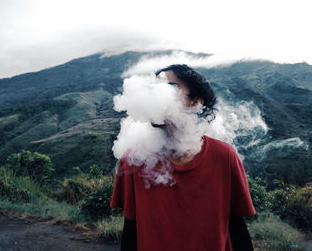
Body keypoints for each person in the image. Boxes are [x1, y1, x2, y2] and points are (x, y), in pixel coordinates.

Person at [110, 64, 256, 251]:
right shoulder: (135, 158)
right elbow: (131, 228)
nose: (157, 95)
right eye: (155, 88)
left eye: (170, 87)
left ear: (195, 102)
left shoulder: (224, 156)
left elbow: (236, 224)